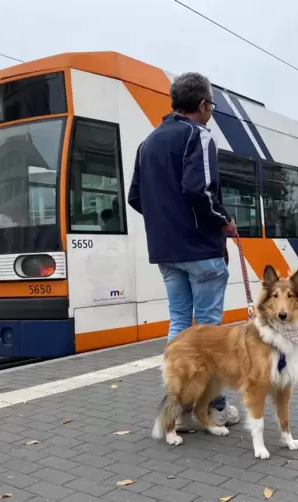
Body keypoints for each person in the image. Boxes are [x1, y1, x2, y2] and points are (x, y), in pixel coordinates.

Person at [128, 72, 240, 428]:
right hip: (201, 249)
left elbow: (135, 196)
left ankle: (181, 397)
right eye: (212, 106)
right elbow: (199, 190)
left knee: (179, 325)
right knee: (208, 330)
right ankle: (215, 405)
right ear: (204, 105)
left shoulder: (147, 143)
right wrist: (223, 221)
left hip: (166, 251)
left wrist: (167, 221)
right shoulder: (199, 136)